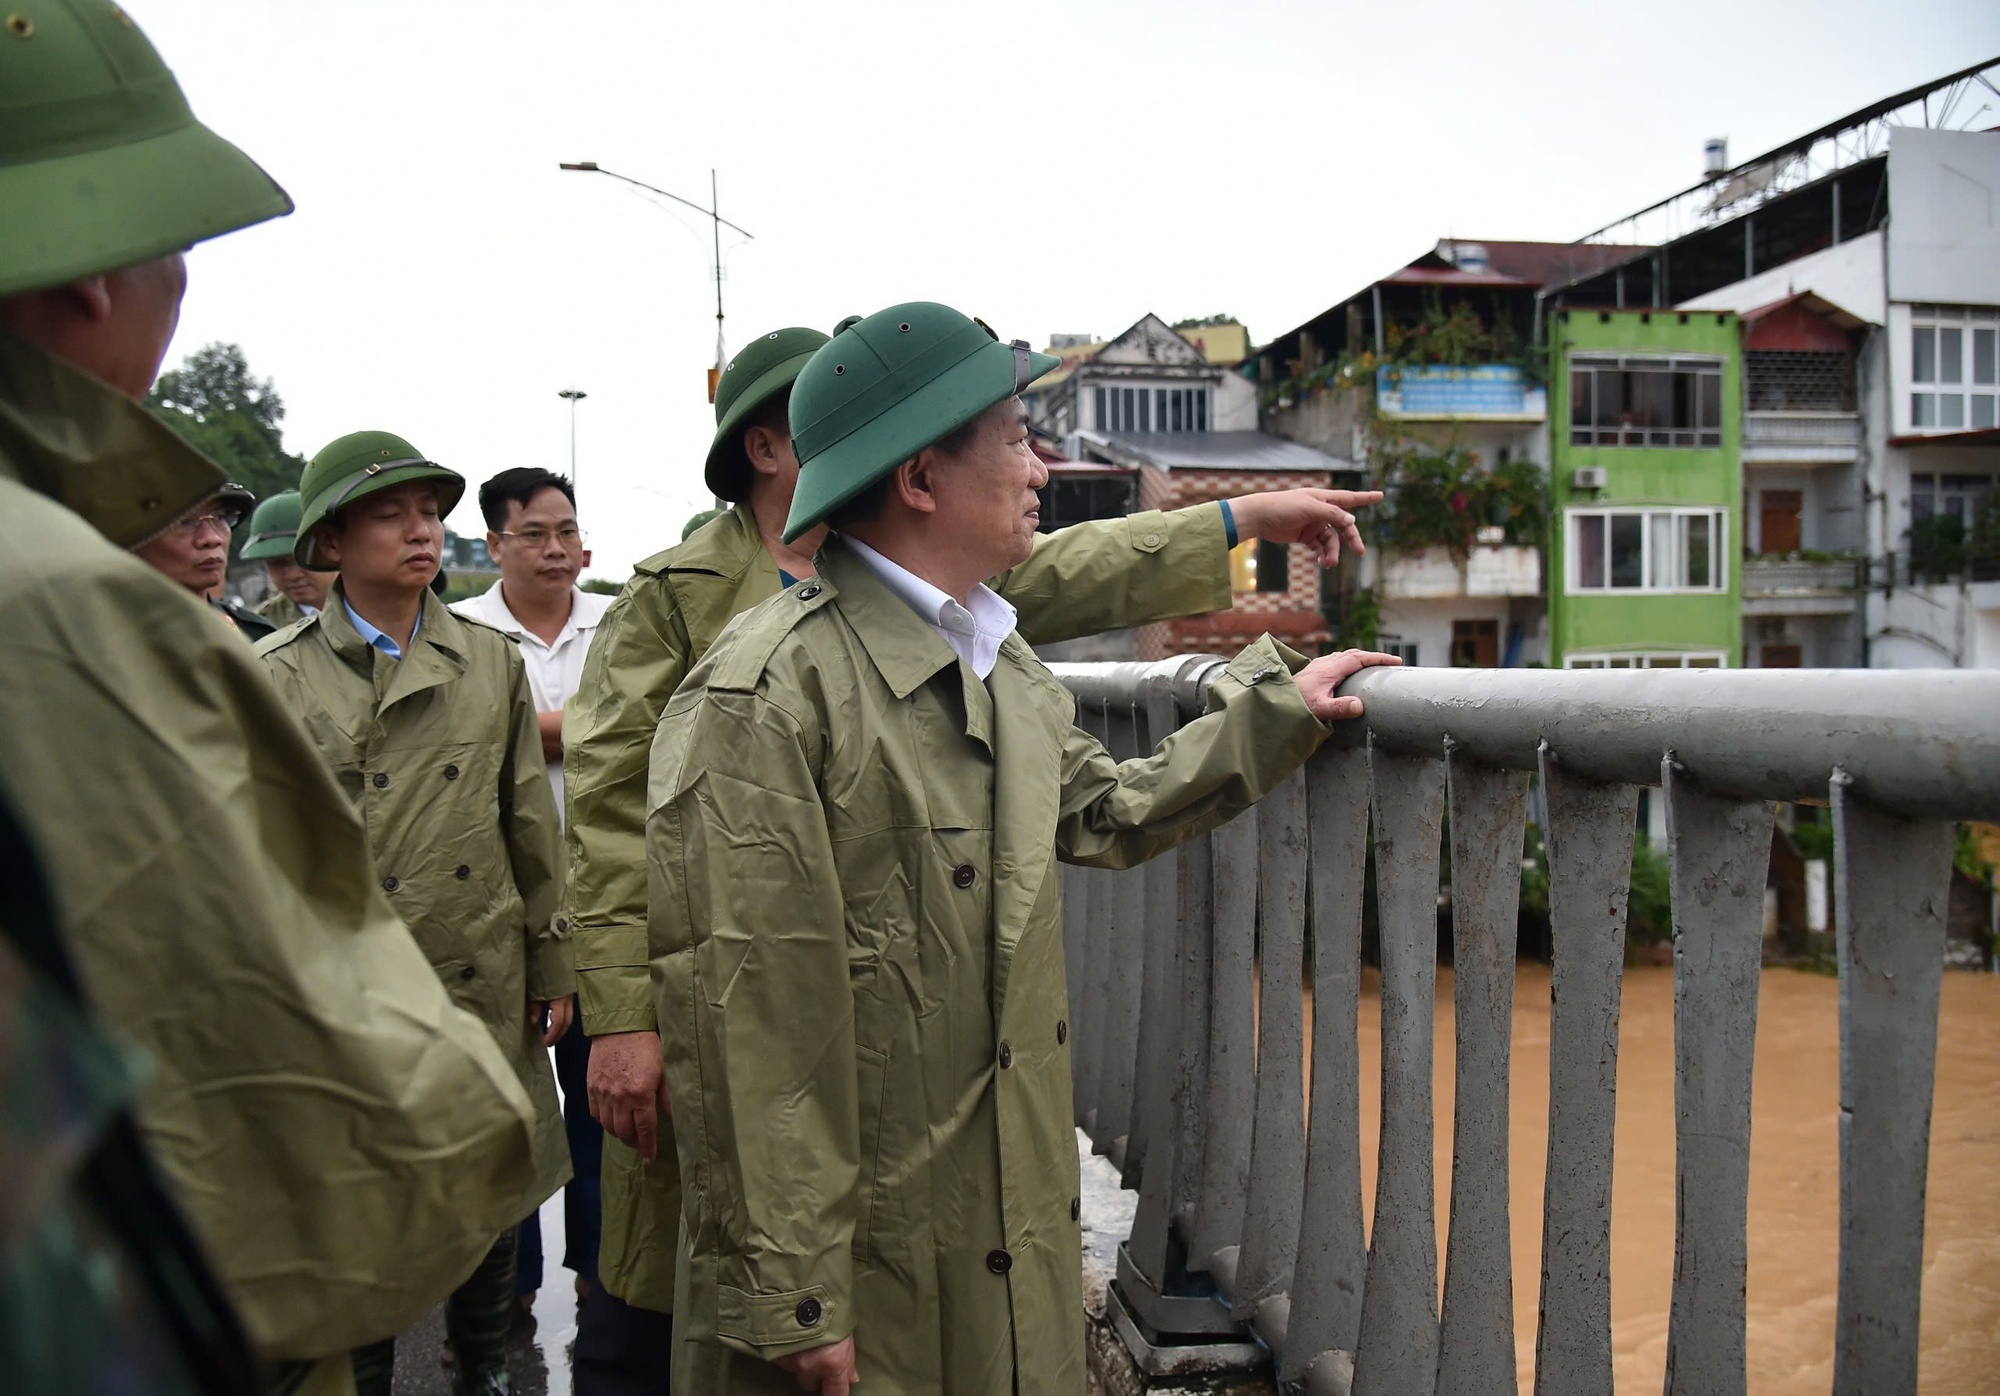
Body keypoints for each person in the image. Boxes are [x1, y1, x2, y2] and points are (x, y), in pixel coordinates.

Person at [563, 324, 1378, 1392]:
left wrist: (1273, 714)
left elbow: (1104, 809)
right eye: (1016, 440)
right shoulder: (766, 695)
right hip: (863, 1261)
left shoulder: (998, 665)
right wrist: (796, 1296)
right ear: (918, 479)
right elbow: (749, 1022)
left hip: (992, 1219)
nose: (1041, 468)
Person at [0, 3, 545, 1389]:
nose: (424, 538)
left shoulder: (477, 662)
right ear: (90, 276)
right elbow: (298, 1108)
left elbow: (527, 843)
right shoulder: (66, 607)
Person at [258, 432, 575, 1396]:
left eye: (430, 514)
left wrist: (553, 963)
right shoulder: (276, 672)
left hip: (476, 965)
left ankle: (481, 1369)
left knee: (484, 1190)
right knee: (358, 1206)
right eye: (391, 515)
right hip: (344, 987)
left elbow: (529, 822)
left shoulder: (485, 661)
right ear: (333, 541)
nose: (420, 532)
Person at [452, 466, 612, 1314]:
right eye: (534, 535)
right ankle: (498, 1298)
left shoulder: (618, 623)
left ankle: (601, 1275)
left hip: (605, 898)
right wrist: (584, 729)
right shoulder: (461, 636)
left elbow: (651, 727)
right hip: (500, 907)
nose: (556, 550)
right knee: (501, 1111)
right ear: (494, 544)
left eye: (566, 532)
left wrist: (536, 734)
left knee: (601, 1102)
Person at [130, 479, 276, 639]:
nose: (212, 538)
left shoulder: (257, 636)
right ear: (136, 542)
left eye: (220, 517)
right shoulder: (111, 638)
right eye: (183, 522)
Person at [240, 488, 331, 627]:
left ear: (334, 548)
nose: (293, 575)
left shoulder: (372, 608)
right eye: (278, 564)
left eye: (304, 558)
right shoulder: (260, 628)